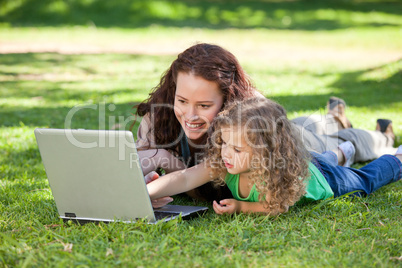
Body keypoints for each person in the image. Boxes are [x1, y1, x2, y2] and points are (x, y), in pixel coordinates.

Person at [134, 42, 397, 203]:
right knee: (313, 124)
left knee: (326, 138)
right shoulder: (161, 115)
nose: (190, 115)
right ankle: (333, 120)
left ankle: (381, 137)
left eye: (204, 106)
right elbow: (172, 175)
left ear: (229, 100)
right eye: (182, 100)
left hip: (296, 143)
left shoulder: (254, 119)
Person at [147, 98, 402, 215]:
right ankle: (343, 151)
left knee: (366, 180)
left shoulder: (268, 173)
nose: (226, 153)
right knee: (323, 158)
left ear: (264, 155)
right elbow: (183, 178)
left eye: (237, 149)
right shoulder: (225, 163)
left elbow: (276, 206)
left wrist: (242, 207)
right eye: (224, 143)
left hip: (327, 180)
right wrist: (145, 193)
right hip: (311, 163)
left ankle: (396, 159)